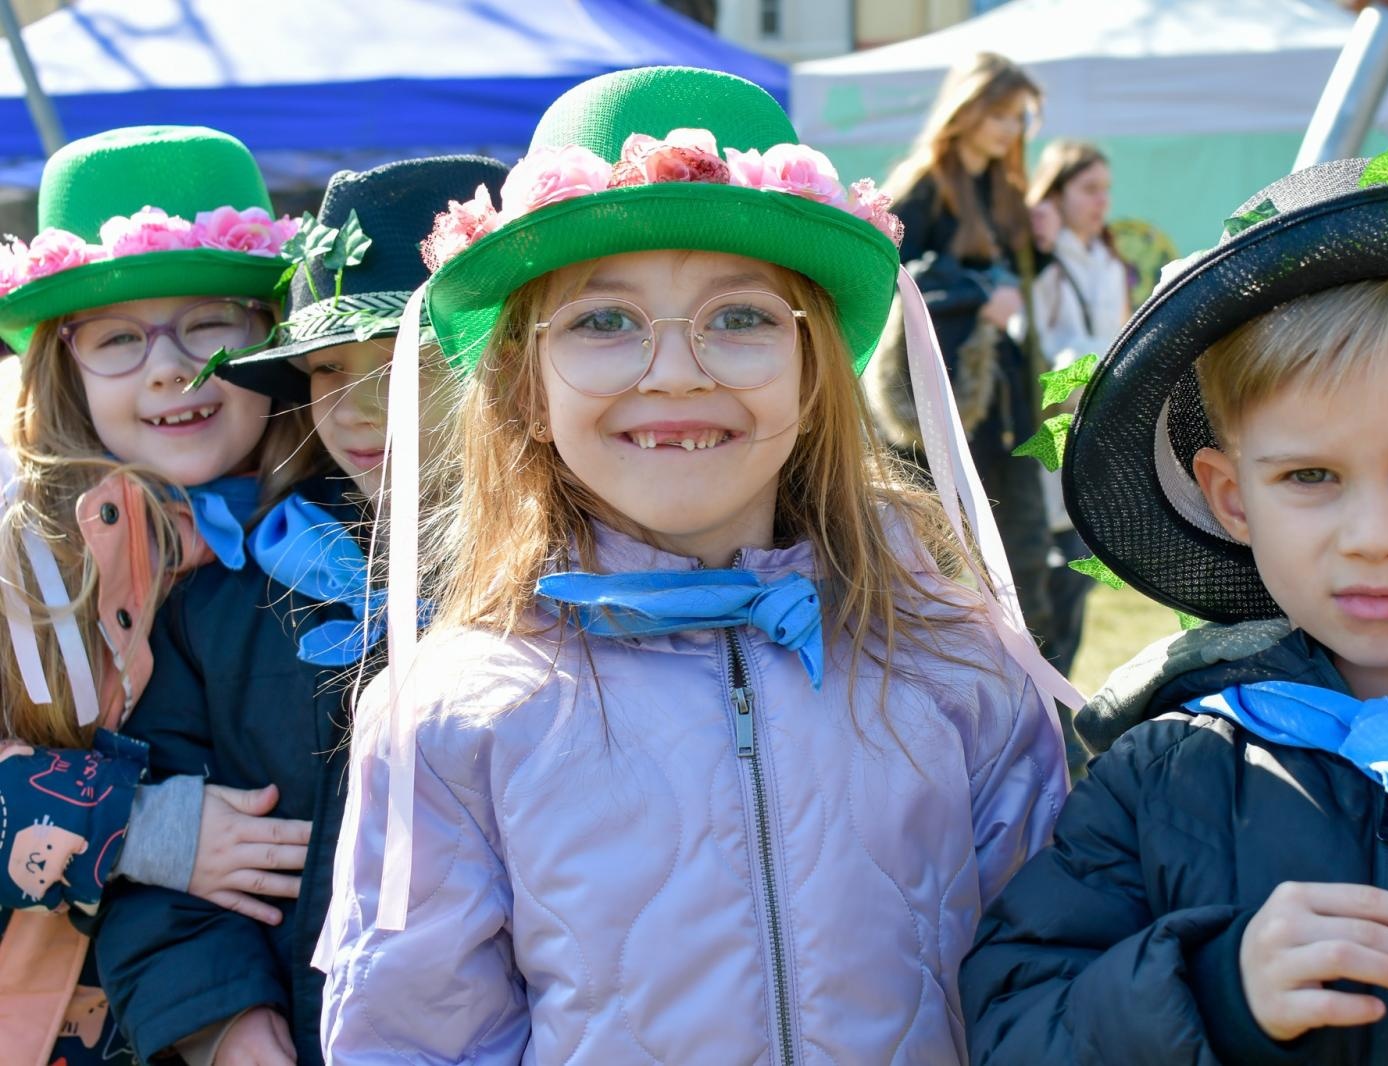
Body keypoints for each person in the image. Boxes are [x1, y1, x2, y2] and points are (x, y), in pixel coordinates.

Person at [316, 66, 1071, 1064]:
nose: (675, 369)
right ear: (525, 390)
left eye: (742, 318)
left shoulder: (957, 665)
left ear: (814, 377)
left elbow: (1046, 988)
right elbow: (411, 1038)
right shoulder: (452, 711)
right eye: (601, 321)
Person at [962, 139, 1388, 1064]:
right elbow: (1016, 1026)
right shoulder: (1159, 773)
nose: (1372, 534)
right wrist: (1214, 990)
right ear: (1232, 498)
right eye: (1310, 475)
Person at [93, 155, 507, 1066]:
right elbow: (162, 876)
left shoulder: (573, 591)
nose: (357, 410)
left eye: (407, 368)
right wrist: (223, 1024)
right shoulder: (229, 599)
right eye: (326, 370)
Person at [0, 126, 317, 1066]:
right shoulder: (24, 555)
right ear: (66, 361)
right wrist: (140, 826)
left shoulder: (334, 533)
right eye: (119, 337)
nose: (172, 367)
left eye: (211, 322)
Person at [867, 52, 1060, 663]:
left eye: (1019, 117)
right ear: (968, 108)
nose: (1011, 130)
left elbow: (1004, 285)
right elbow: (888, 276)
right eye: (1001, 114)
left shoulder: (1002, 190)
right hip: (936, 403)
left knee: (1024, 557)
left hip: (1003, 401)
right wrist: (979, 295)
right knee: (949, 559)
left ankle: (1044, 716)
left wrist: (1042, 249)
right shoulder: (924, 182)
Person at [1025, 140, 1131, 676]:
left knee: (1075, 603)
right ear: (1056, 192)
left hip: (1093, 448)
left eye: (1106, 190)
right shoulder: (1040, 262)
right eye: (1089, 189)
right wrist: (1083, 372)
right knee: (1037, 609)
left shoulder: (1109, 263)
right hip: (1043, 449)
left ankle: (1066, 735)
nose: (1101, 202)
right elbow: (1032, 353)